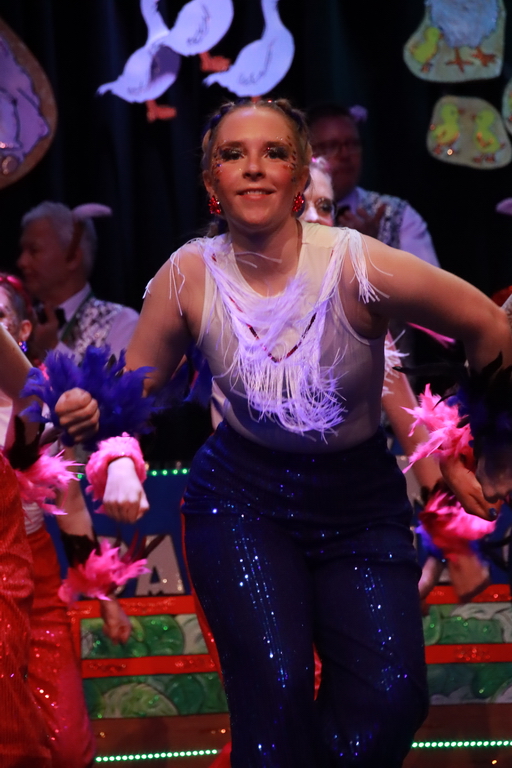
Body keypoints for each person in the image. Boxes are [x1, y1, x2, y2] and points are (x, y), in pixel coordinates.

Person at [86, 98, 512, 768]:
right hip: (241, 503)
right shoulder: (188, 274)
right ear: (212, 180)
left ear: (298, 175)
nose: (254, 168)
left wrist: (490, 453)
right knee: (277, 699)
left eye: (275, 153)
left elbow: (488, 325)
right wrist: (114, 451)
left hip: (359, 506)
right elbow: (129, 393)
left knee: (393, 698)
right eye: (233, 154)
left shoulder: (357, 264)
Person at [0, 273, 131, 768]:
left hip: (36, 581)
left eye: (0, 317)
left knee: (68, 747)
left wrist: (106, 597)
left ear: (22, 330)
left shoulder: (42, 405)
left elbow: (72, 505)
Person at [306, 103, 439, 267]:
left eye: (353, 144)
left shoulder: (398, 215)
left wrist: (374, 255)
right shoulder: (287, 215)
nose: (345, 155)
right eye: (331, 146)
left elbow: (426, 282)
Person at [17, 201, 139, 362]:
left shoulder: (122, 322)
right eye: (23, 251)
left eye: (34, 250)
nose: (21, 262)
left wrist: (53, 348)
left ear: (73, 257)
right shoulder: (21, 319)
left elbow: (114, 378)